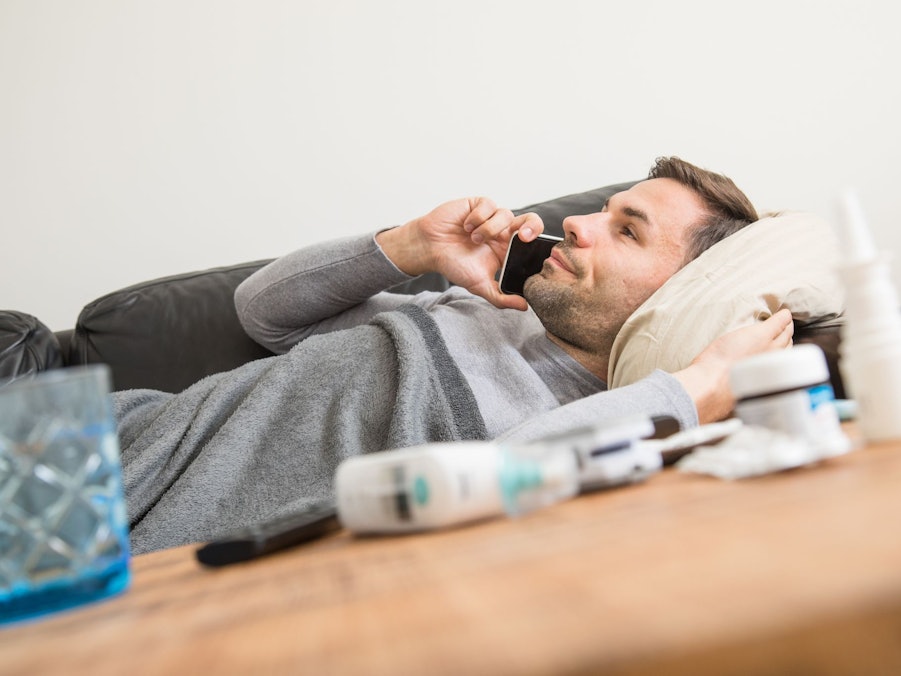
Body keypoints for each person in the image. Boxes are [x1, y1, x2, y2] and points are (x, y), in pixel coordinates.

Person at [116, 156, 793, 553]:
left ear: (681, 294)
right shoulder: (470, 310)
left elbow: (504, 473)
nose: (578, 223)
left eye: (626, 230)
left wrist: (694, 386)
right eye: (603, 209)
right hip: (117, 445)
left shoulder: (601, 428)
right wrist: (412, 249)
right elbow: (264, 312)